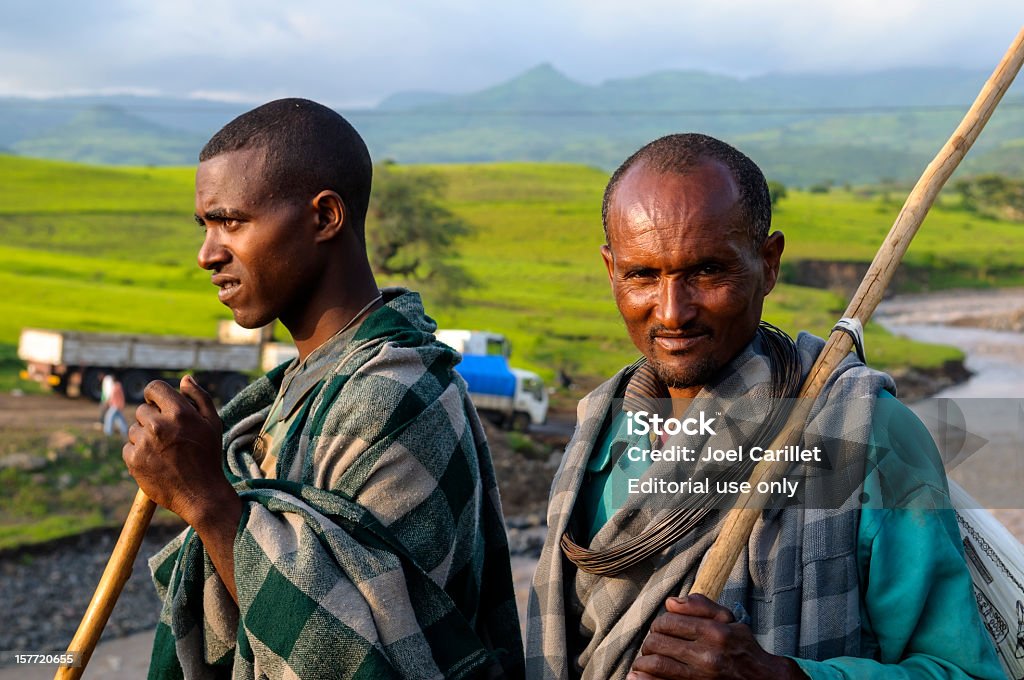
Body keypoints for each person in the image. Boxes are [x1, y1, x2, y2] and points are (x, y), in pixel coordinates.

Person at [525, 134, 1003, 679]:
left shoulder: (867, 435)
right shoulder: (598, 433)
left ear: (768, 263)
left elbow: (965, 672)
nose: (673, 311)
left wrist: (775, 674)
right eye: (643, 275)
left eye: (707, 272)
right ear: (611, 270)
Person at [123, 98, 524, 679]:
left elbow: (365, 661)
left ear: (325, 217)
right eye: (205, 225)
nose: (208, 254)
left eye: (231, 221)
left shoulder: (393, 401)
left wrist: (207, 502)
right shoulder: (294, 393)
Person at [100, 373, 129, 438]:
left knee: (109, 417)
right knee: (119, 419)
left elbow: (117, 396)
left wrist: (108, 402)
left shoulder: (117, 386)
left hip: (116, 405)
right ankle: (124, 431)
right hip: (115, 405)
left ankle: (108, 432)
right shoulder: (116, 386)